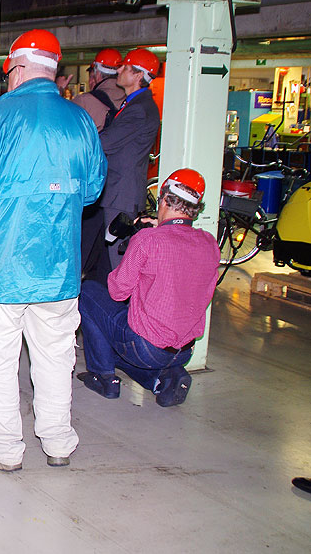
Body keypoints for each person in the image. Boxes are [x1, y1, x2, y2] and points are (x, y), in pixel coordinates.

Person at [0, 29, 106, 471]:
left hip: (1, 267)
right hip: (58, 268)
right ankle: (58, 442)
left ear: (15, 69)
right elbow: (92, 191)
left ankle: (5, 448)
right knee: (56, 357)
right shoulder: (81, 122)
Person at [78, 169, 219, 407]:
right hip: (184, 350)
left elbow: (117, 292)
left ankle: (103, 377)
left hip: (146, 349)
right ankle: (162, 380)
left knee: (89, 292)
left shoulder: (148, 240)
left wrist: (137, 245)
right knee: (123, 342)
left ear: (164, 200)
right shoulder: (209, 243)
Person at [91, 48, 162, 275]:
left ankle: (122, 299)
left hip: (122, 195)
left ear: (138, 75)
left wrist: (82, 136)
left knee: (119, 263)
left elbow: (106, 142)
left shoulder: (139, 109)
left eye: (125, 67)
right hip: (119, 191)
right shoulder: (133, 104)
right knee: (110, 259)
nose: (119, 70)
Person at [75, 49, 126, 278]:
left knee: (80, 248)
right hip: (119, 190)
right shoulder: (130, 101)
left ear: (96, 72)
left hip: (89, 186)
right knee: (107, 251)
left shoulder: (85, 102)